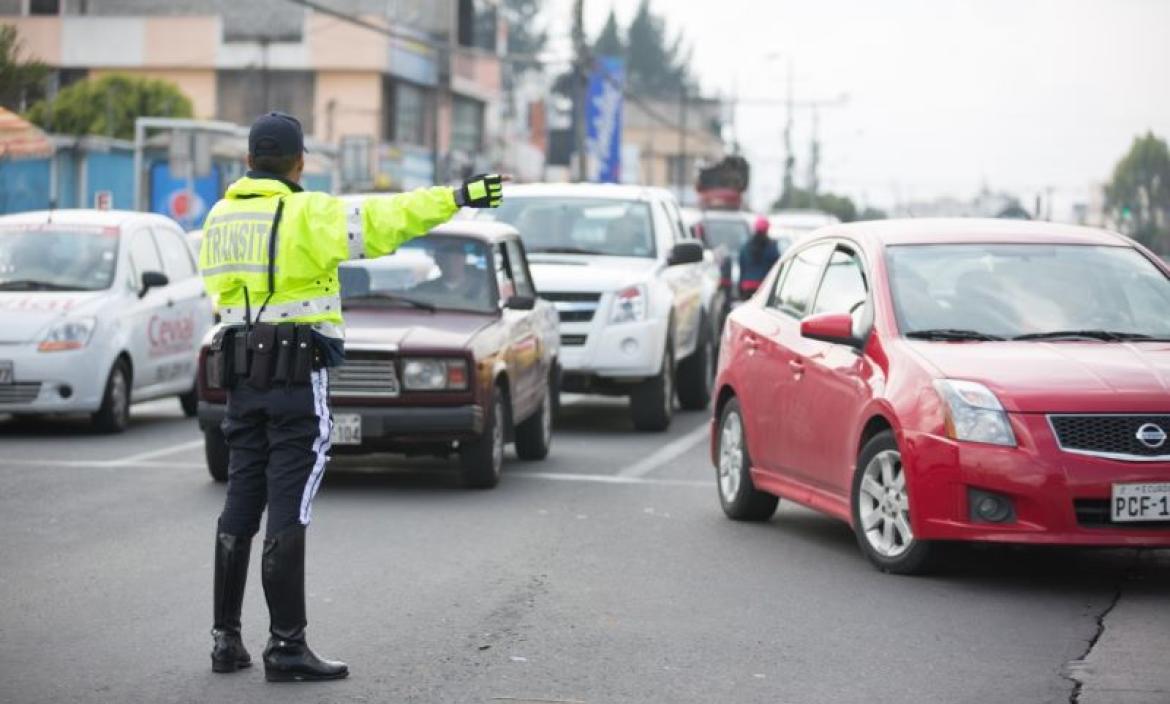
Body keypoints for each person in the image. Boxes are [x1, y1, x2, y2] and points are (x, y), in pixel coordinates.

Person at [199, 112, 504, 683]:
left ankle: (225, 640)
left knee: (242, 500)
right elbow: (391, 218)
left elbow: (217, 290)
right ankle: (286, 647)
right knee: (291, 504)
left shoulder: (219, 216)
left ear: (247, 161)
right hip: (294, 378)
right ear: (299, 163)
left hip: (241, 379)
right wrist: (459, 196)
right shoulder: (308, 212)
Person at [409, 240, 490, 303]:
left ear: (464, 259)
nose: (451, 263)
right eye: (446, 259)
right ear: (437, 261)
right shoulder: (423, 290)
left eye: (456, 259)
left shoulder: (484, 290)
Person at [737, 215, 781, 299]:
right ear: (767, 229)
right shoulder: (772, 247)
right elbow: (777, 266)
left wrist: (740, 287)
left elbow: (742, 268)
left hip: (747, 286)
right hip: (764, 287)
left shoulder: (746, 247)